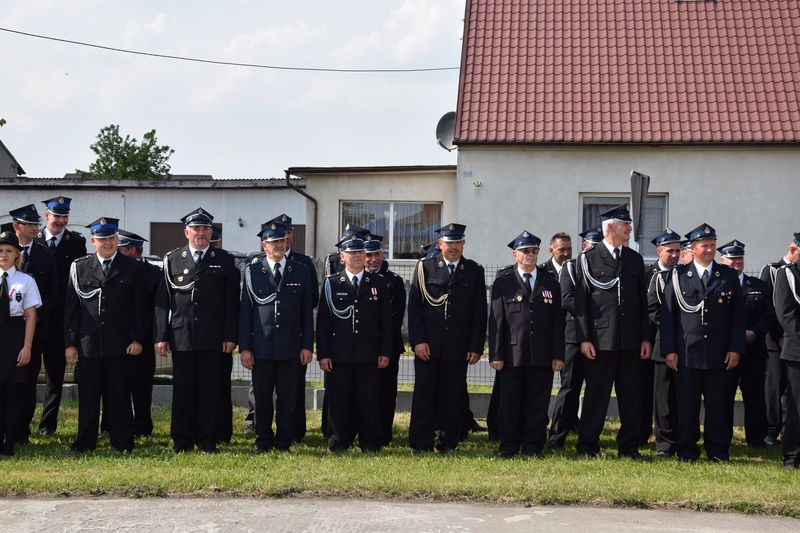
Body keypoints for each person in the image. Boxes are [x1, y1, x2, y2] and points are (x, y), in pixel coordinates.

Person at [154, 208, 240, 453]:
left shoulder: (224, 259)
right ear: (186, 232)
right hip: (182, 336)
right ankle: (182, 438)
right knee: (183, 390)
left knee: (210, 390)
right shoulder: (172, 259)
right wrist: (160, 335)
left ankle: (207, 439)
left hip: (214, 338)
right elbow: (163, 301)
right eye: (196, 229)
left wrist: (230, 335)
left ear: (211, 232)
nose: (201, 233)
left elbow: (233, 302)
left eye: (205, 229)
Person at [660, 224, 745, 462]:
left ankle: (718, 451)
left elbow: (738, 316)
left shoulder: (727, 275)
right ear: (693, 248)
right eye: (705, 246)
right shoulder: (677, 276)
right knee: (687, 406)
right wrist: (669, 350)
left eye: (712, 245)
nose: (710, 250)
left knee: (717, 406)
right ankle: (687, 450)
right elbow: (668, 317)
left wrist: (735, 348)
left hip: (719, 353)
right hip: (687, 352)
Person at [573, 204, 651, 459]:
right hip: (600, 340)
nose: (629, 228)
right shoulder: (587, 258)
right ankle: (587, 445)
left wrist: (644, 337)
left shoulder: (634, 259)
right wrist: (584, 338)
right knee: (596, 396)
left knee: (631, 396)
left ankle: (628, 447)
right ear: (610, 227)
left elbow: (641, 303)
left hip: (629, 341)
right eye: (624, 224)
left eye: (629, 224)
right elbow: (581, 304)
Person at [64, 218, 146, 453]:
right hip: (88, 345)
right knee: (88, 398)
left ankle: (123, 442)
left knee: (119, 397)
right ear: (93, 241)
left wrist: (137, 339)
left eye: (111, 238)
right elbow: (72, 309)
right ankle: (85, 442)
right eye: (102, 239)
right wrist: (70, 343)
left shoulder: (133, 267)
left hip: (120, 345)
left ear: (117, 240)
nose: (108, 243)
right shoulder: (79, 267)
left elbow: (140, 309)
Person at [407, 223, 487, 453]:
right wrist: (418, 340)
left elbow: (479, 312)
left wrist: (475, 345)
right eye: (449, 243)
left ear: (463, 244)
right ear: (440, 244)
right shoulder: (425, 268)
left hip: (458, 346)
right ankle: (420, 443)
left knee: (452, 396)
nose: (454, 247)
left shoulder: (473, 270)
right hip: (428, 345)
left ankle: (449, 442)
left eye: (458, 242)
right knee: (424, 395)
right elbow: (415, 308)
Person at [239, 223, 314, 452]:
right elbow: (245, 312)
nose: (280, 246)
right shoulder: (252, 272)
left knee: (288, 398)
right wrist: (245, 348)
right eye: (274, 242)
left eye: (282, 241)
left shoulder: (299, 270)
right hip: (261, 347)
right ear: (265, 246)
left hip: (290, 347)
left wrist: (306, 345)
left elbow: (306, 314)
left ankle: (283, 441)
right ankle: (263, 440)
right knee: (261, 399)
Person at [489, 231, 564, 458]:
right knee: (509, 403)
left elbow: (558, 323)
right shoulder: (503, 282)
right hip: (512, 354)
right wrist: (496, 354)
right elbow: (496, 322)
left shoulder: (550, 282)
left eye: (534, 251)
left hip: (541, 355)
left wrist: (558, 354)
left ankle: (533, 446)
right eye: (525, 251)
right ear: (515, 255)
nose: (530, 255)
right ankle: (509, 446)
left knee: (537, 404)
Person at [316, 235, 392, 452]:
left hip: (369, 353)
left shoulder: (377, 282)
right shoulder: (331, 284)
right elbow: (323, 323)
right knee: (339, 400)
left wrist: (385, 351)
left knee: (369, 400)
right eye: (352, 252)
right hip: (339, 354)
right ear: (342, 256)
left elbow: (386, 322)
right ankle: (339, 441)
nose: (358, 256)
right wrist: (323, 354)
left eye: (360, 252)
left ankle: (370, 442)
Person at [36, 196, 87, 436]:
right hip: (34, 319)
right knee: (24, 376)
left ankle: (48, 425)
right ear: (47, 215)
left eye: (65, 216)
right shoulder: (32, 241)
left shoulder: (76, 242)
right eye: (57, 216)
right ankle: (19, 423)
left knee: (55, 378)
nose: (61, 221)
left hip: (59, 320)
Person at [548, 227, 602, 449]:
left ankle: (587, 437)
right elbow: (567, 299)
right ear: (585, 247)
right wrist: (595, 309)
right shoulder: (571, 267)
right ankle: (556, 437)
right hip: (572, 336)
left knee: (595, 390)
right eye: (591, 246)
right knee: (569, 388)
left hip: (598, 337)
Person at [8, 205, 56, 445]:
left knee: (26, 381)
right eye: (30, 224)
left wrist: (35, 316)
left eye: (37, 224)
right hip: (5, 331)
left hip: (33, 330)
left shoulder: (45, 255)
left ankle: (21, 431)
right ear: (17, 226)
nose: (36, 228)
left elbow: (52, 293)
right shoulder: (3, 252)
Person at [719, 239, 772, 447]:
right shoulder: (717, 284)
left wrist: (755, 332)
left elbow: (768, 314)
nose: (736, 262)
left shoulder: (758, 285)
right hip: (726, 350)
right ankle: (722, 438)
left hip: (753, 349)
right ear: (722, 260)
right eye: (732, 259)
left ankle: (757, 438)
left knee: (755, 395)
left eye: (739, 258)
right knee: (723, 396)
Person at [115, 230, 162, 436]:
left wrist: (144, 337)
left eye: (121, 249)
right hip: (116, 338)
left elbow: (154, 309)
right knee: (116, 386)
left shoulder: (153, 273)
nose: (116, 253)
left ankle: (143, 427)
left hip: (143, 339)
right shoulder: (114, 269)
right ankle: (112, 424)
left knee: (142, 387)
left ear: (133, 250)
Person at [0, 230, 41, 456]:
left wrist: (27, 347)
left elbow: (31, 316)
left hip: (15, 337)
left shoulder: (26, 281)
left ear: (17, 254)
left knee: (14, 393)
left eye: (8, 251)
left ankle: (10, 442)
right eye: (0, 251)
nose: (4, 255)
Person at [364, 234, 406, 445]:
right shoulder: (357, 278)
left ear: (383, 255)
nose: (373, 259)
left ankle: (383, 435)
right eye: (369, 255)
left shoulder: (394, 281)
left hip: (387, 345)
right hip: (362, 347)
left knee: (385, 393)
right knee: (364, 393)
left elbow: (394, 317)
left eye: (377, 254)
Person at [760, 232, 800, 446]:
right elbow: (773, 307)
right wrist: (778, 336)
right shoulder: (773, 270)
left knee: (792, 393)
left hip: (793, 341)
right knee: (775, 387)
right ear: (793, 250)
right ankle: (771, 429)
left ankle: (788, 430)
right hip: (776, 342)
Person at [645, 229, 681, 457]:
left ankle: (681, 439)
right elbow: (652, 310)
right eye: (670, 251)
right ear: (659, 251)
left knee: (681, 398)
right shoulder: (651, 274)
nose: (675, 255)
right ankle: (665, 444)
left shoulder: (684, 274)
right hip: (659, 344)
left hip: (685, 346)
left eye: (678, 251)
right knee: (662, 399)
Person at [773, 256, 800, 468]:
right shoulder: (787, 273)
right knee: (795, 406)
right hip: (797, 350)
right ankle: (793, 456)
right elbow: (785, 313)